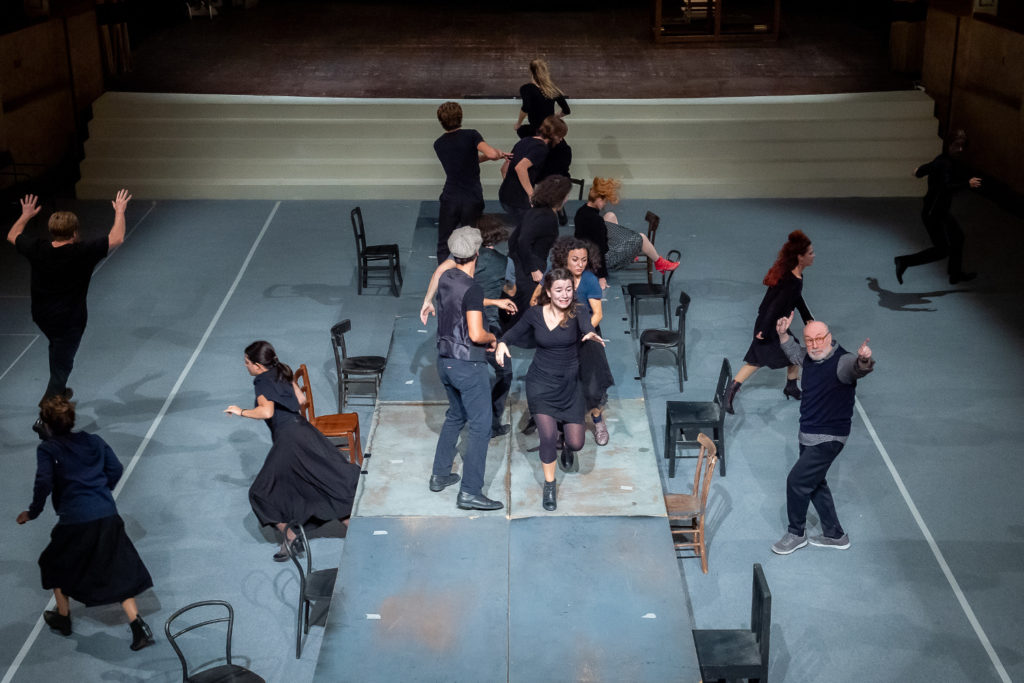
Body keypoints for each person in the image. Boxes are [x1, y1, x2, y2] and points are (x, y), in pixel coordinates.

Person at [16, 395, 155, 651]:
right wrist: (99, 494)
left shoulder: (48, 449)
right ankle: (139, 627)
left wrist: (33, 512)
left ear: (47, 424)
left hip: (76, 521)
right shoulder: (94, 441)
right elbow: (115, 469)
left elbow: (43, 483)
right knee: (117, 568)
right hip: (107, 515)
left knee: (52, 563)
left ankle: (63, 618)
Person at [225, 341, 360, 560]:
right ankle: (356, 531)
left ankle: (290, 535)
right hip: (304, 432)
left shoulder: (261, 381)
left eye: (247, 362)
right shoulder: (282, 370)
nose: (245, 365)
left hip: (289, 440)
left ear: (258, 366)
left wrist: (241, 412)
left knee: (259, 493)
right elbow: (301, 400)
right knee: (321, 481)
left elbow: (266, 412)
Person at [7, 191, 131, 430]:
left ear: (52, 231)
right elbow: (116, 238)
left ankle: (59, 390)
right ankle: (45, 418)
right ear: (75, 232)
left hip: (43, 317)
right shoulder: (82, 252)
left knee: (57, 352)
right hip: (69, 323)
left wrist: (25, 215)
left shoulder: (38, 248)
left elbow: (13, 235)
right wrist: (119, 211)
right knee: (61, 370)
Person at [496, 268, 605, 511]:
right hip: (541, 383)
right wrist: (502, 343)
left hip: (570, 385)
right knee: (547, 437)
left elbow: (587, 326)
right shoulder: (535, 314)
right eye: (559, 290)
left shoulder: (578, 310)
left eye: (569, 289)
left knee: (576, 443)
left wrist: (589, 333)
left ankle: (566, 444)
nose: (565, 295)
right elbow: (512, 333)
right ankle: (550, 485)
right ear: (548, 291)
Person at [770, 314, 875, 555]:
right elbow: (793, 352)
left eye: (819, 339)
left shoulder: (843, 361)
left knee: (797, 482)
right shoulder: (809, 357)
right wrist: (783, 334)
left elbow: (858, 368)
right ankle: (835, 534)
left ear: (829, 337)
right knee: (815, 483)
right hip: (808, 433)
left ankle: (796, 533)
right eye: (809, 340)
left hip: (829, 437)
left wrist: (864, 360)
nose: (815, 345)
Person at [427, 227, 504, 511]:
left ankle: (440, 474)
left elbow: (461, 298)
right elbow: (475, 334)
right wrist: (493, 338)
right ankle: (470, 492)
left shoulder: (447, 277)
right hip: (467, 365)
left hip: (445, 360)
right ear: (477, 253)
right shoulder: (473, 287)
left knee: (455, 415)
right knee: (481, 426)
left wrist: (493, 301)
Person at [420, 217, 518, 438]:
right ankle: (492, 422)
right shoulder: (505, 263)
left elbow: (439, 273)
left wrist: (427, 300)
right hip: (487, 325)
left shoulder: (460, 256)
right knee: (504, 371)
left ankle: (462, 413)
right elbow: (511, 290)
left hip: (458, 325)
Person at [531, 236, 614, 445]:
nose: (580, 264)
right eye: (575, 260)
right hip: (559, 338)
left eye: (584, 260)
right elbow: (535, 299)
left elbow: (597, 314)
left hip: (585, 337)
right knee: (559, 383)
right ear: (564, 259)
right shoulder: (554, 276)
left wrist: (581, 333)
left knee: (591, 385)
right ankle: (559, 424)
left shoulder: (589, 280)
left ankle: (598, 421)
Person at [723, 230, 815, 415]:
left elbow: (797, 298)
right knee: (757, 360)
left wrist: (807, 317)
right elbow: (773, 307)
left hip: (775, 325)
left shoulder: (795, 277)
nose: (813, 256)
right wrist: (764, 331)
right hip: (770, 325)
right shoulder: (791, 281)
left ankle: (791, 386)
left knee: (793, 352)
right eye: (810, 253)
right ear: (800, 257)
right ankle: (729, 393)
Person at [895, 129, 981, 286]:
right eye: (956, 145)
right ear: (948, 145)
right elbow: (947, 186)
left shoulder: (942, 160)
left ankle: (955, 274)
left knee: (958, 238)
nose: (960, 149)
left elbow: (927, 168)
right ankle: (904, 261)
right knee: (942, 250)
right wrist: (967, 184)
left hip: (940, 211)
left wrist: (918, 171)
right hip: (933, 213)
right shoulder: (945, 163)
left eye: (962, 146)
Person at [433, 101, 508, 262]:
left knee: (444, 240)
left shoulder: (438, 144)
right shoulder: (471, 135)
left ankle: (444, 273)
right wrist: (497, 153)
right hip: (471, 197)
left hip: (450, 197)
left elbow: (462, 162)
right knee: (473, 238)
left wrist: (488, 156)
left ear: (441, 121)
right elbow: (491, 154)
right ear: (460, 117)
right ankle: (471, 270)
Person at [573, 178, 678, 286]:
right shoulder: (596, 221)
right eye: (605, 201)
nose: (605, 204)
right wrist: (601, 277)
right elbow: (600, 251)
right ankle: (659, 263)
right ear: (599, 199)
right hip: (600, 260)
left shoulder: (581, 211)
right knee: (641, 238)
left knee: (610, 216)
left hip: (588, 254)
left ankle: (631, 252)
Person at [499, 117, 561, 222]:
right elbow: (520, 168)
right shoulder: (541, 148)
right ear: (554, 135)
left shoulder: (524, 141)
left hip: (505, 195)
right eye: (561, 136)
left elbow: (504, 168)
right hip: (519, 201)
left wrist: (511, 186)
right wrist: (532, 195)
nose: (561, 139)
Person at [514, 58, 570, 138]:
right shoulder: (552, 89)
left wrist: (518, 123)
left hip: (536, 130)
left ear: (531, 72)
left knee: (521, 130)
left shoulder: (527, 88)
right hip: (550, 130)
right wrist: (553, 118)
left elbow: (526, 108)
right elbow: (566, 110)